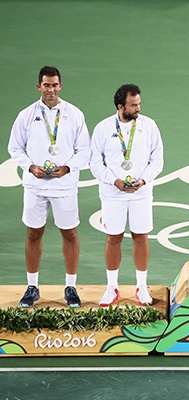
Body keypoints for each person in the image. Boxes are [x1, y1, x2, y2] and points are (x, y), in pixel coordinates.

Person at [8, 65, 91, 308]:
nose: (51, 89)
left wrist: (67, 167)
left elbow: (84, 150)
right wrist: (30, 166)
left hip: (64, 186)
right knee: (34, 234)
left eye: (55, 85)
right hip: (35, 186)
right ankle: (32, 287)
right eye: (46, 85)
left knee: (70, 234)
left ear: (60, 86)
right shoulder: (26, 115)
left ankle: (71, 287)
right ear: (39, 86)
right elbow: (14, 148)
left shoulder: (74, 114)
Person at [90, 84, 164, 306]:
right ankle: (112, 287)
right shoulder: (103, 129)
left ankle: (141, 287)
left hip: (141, 194)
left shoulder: (149, 126)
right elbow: (95, 162)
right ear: (121, 106)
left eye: (139, 103)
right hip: (113, 194)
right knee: (113, 238)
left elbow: (157, 160)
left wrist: (143, 180)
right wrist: (115, 181)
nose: (138, 108)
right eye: (134, 105)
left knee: (141, 236)